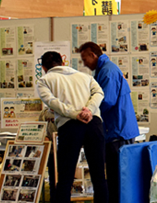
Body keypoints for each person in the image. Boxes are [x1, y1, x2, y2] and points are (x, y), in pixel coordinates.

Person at [36, 51, 109, 203]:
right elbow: (99, 92)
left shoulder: (44, 80)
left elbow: (52, 102)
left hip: (70, 126)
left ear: (43, 67)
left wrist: (74, 114)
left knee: (65, 176)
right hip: (94, 123)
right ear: (63, 63)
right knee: (99, 176)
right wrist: (89, 109)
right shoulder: (85, 76)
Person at [78, 42, 139, 200]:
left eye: (85, 58)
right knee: (114, 177)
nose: (84, 63)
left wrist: (86, 112)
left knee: (116, 179)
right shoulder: (105, 69)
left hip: (117, 132)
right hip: (117, 130)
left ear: (93, 55)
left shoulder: (107, 71)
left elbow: (107, 101)